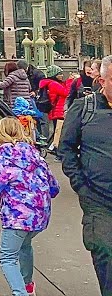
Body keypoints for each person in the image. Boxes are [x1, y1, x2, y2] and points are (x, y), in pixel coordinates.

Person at [0, 117, 60, 296]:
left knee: (7, 257)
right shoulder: (35, 155)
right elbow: (53, 185)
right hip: (40, 215)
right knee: (25, 246)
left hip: (17, 216)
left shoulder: (3, 160)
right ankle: (27, 285)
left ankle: (20, 292)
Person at [58, 55, 112, 293]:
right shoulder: (84, 108)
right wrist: (80, 184)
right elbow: (66, 148)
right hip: (98, 198)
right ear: (102, 81)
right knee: (105, 251)